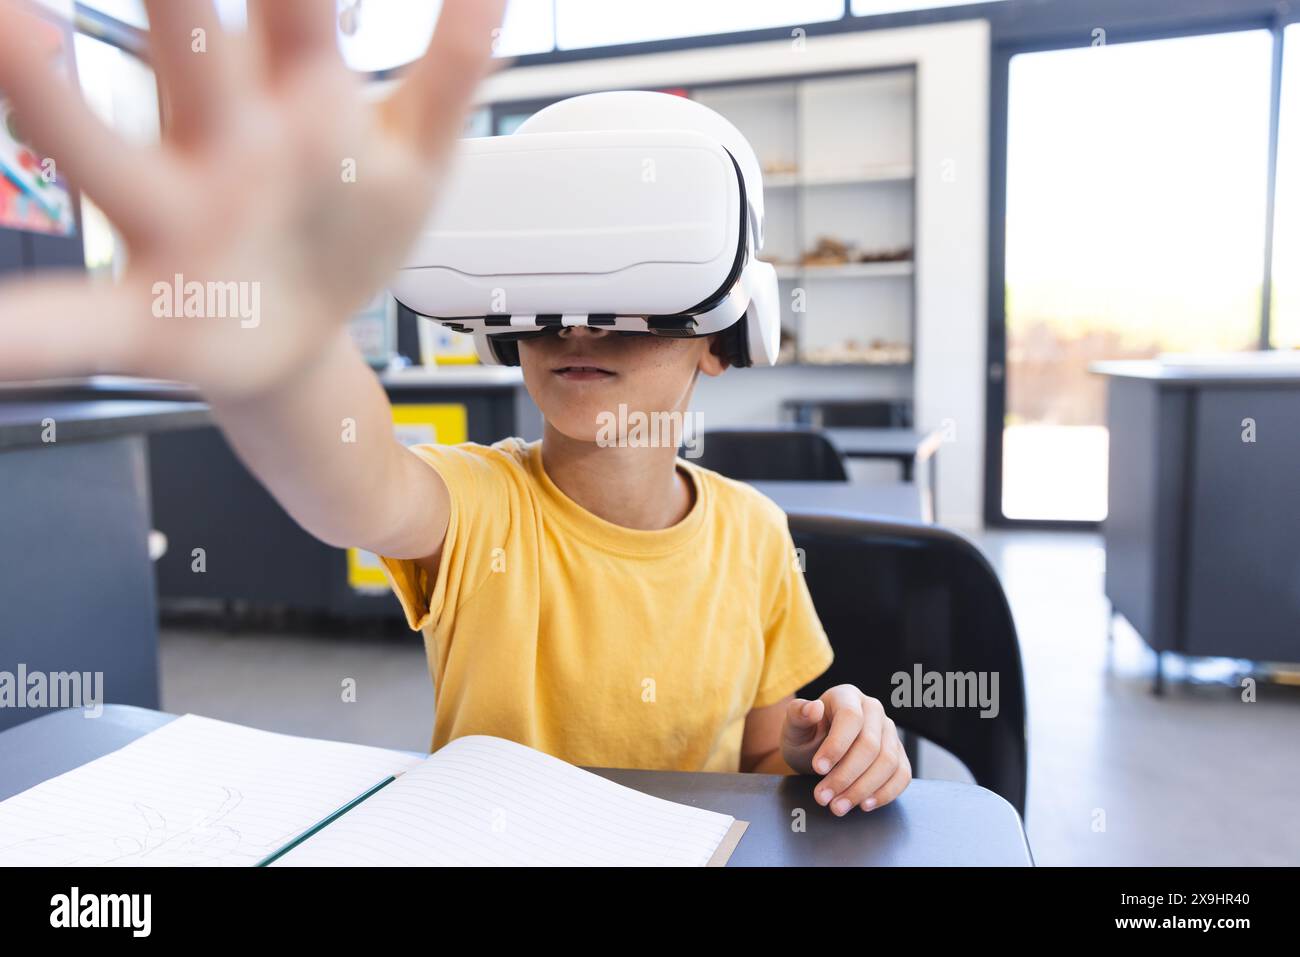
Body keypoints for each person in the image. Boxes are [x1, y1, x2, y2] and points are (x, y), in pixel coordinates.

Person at [0, 0, 910, 817]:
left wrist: (816, 747)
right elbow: (355, 484)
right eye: (549, 293)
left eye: (634, 295)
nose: (579, 327)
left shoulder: (755, 536)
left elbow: (759, 758)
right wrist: (287, 358)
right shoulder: (480, 508)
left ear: (722, 338)